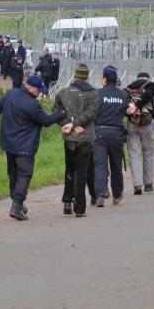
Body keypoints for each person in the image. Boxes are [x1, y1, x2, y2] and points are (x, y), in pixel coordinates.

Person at [0, 76, 64, 220]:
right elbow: (46, 121)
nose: (40, 92)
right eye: (39, 90)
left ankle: (17, 204)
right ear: (30, 87)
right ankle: (17, 206)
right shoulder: (32, 104)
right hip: (25, 147)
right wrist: (60, 114)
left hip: (9, 144)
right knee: (24, 175)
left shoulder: (11, 94)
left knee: (13, 174)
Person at [54, 63, 99, 217]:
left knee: (70, 169)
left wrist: (69, 125)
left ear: (75, 75)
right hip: (85, 137)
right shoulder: (93, 94)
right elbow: (91, 113)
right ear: (87, 76)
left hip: (69, 137)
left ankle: (67, 201)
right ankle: (79, 208)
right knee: (82, 172)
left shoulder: (62, 93)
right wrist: (76, 124)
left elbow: (57, 114)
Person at [93, 66, 129, 206]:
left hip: (100, 133)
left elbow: (93, 112)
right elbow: (127, 112)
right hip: (117, 134)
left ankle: (101, 194)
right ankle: (117, 194)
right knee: (116, 165)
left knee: (100, 165)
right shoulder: (122, 95)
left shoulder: (98, 94)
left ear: (105, 79)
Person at [126, 73, 154, 195]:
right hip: (148, 124)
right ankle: (148, 184)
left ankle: (137, 185)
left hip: (132, 124)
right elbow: (149, 95)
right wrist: (138, 105)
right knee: (148, 153)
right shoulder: (151, 86)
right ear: (147, 79)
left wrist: (133, 108)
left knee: (134, 154)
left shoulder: (129, 88)